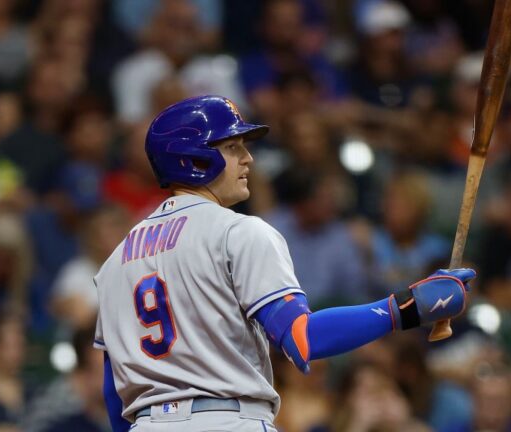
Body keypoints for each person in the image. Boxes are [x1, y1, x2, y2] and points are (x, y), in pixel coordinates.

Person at [94, 95, 476, 432]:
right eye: (232, 147)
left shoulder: (115, 262)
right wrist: (407, 309)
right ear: (194, 157)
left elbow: (115, 394)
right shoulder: (237, 232)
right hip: (228, 420)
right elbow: (301, 339)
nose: (248, 158)